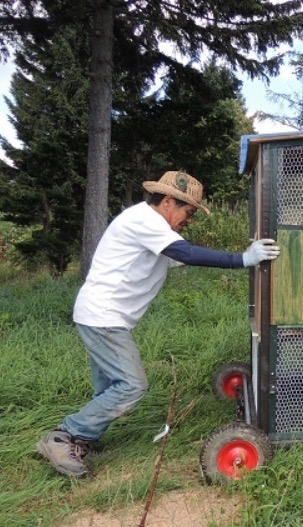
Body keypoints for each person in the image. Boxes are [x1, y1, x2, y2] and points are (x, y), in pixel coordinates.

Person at [36, 171, 280, 477]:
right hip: (104, 316)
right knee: (130, 386)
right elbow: (187, 253)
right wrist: (242, 259)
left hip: (100, 314)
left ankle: (82, 439)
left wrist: (235, 256)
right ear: (167, 202)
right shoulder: (145, 220)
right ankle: (64, 436)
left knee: (109, 388)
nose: (189, 219)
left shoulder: (149, 225)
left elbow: (184, 255)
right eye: (188, 212)